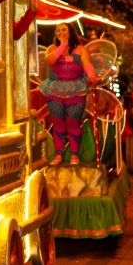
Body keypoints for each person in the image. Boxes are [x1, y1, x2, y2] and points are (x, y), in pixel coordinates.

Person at [39, 22, 98, 165]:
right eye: (58, 30)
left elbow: (87, 64)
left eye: (64, 29)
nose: (61, 32)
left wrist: (92, 76)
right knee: (58, 125)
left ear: (70, 31)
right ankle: (59, 155)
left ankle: (74, 155)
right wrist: (62, 46)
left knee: (73, 124)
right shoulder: (52, 49)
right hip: (55, 91)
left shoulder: (81, 49)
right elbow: (50, 61)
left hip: (76, 91)